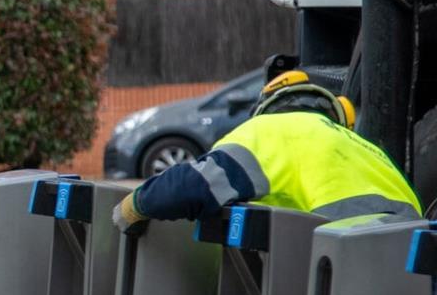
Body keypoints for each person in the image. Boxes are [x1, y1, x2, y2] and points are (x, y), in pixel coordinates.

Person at [113, 69, 422, 232]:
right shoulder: (366, 149)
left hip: (347, 263)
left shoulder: (268, 132)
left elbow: (191, 187)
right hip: (411, 270)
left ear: (266, 108)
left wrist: (136, 205)